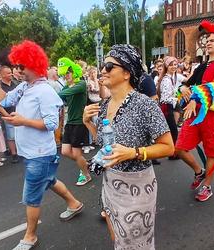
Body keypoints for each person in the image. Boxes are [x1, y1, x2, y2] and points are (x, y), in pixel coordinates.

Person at [0, 40, 84, 250]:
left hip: (40, 154)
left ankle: (30, 236)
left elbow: (51, 124)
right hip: (33, 152)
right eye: (17, 66)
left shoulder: (46, 91)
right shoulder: (24, 86)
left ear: (33, 65)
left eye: (21, 66)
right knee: (49, 180)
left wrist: (22, 121)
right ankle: (74, 204)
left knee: (31, 196)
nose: (17, 70)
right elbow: (3, 101)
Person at [83, 44, 174, 250]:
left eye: (108, 66)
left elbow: (168, 147)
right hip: (111, 184)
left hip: (137, 190)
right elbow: (104, 145)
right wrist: (88, 124)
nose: (102, 70)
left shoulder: (145, 104)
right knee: (118, 240)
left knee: (137, 244)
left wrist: (134, 153)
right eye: (102, 65)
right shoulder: (105, 104)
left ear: (126, 72)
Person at [177, 20, 214, 202]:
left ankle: (207, 186)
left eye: (212, 40)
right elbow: (187, 83)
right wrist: (183, 88)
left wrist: (193, 98)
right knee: (180, 149)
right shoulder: (202, 66)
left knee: (212, 153)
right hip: (195, 114)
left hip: (213, 116)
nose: (208, 42)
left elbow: (213, 86)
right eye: (206, 40)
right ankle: (199, 172)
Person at [57, 57, 91, 186]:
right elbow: (63, 97)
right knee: (65, 151)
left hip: (79, 122)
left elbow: (60, 95)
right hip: (69, 122)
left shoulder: (81, 84)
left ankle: (86, 175)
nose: (66, 76)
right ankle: (83, 163)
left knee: (76, 153)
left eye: (68, 73)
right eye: (64, 74)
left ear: (74, 71)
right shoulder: (67, 86)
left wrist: (59, 93)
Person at [157, 56, 179, 160]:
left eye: (175, 64)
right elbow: (164, 98)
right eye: (171, 65)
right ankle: (173, 153)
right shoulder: (166, 79)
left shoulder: (170, 78)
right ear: (167, 66)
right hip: (166, 107)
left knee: (171, 130)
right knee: (173, 131)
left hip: (168, 107)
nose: (174, 67)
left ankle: (172, 152)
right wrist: (176, 100)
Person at [0, 66, 19, 163]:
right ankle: (14, 154)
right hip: (8, 114)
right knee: (11, 136)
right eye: (8, 73)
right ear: (2, 74)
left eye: (11, 72)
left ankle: (20, 151)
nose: (11, 74)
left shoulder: (15, 84)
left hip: (18, 113)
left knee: (19, 133)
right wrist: (7, 115)